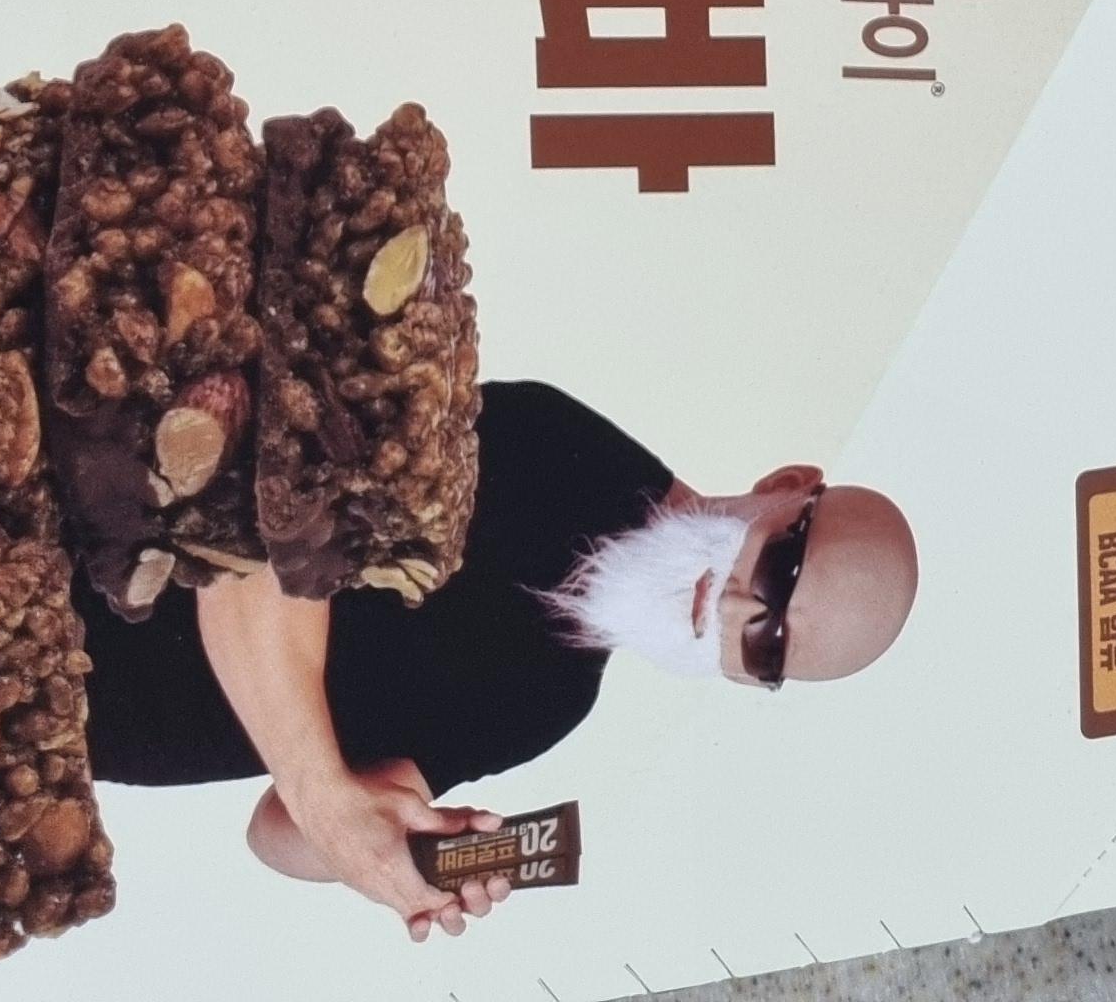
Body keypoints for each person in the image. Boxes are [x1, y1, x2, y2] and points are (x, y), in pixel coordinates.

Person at [78, 379, 918, 944]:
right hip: (52, 556)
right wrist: (325, 795)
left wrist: (394, 853)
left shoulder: (553, 700)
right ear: (787, 483)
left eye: (771, 645)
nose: (738, 609)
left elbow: (275, 835)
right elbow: (256, 527)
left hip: (55, 730)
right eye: (781, 567)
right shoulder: (554, 448)